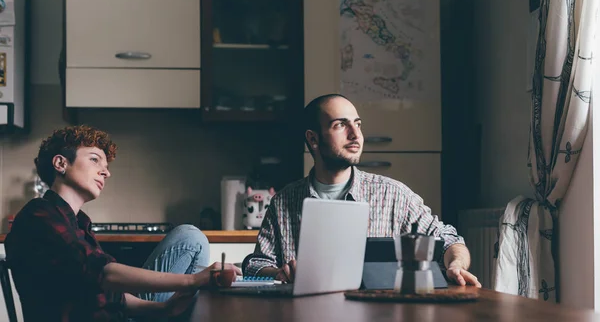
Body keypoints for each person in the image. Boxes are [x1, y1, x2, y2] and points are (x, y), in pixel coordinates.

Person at [5, 125, 241, 321]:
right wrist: (193, 280)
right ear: (60, 164)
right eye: (95, 160)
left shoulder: (78, 223)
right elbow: (102, 273)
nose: (105, 173)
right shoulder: (40, 215)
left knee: (191, 238)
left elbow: (110, 294)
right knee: (191, 238)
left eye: (106, 168)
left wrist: (165, 309)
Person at [243, 94, 481, 287]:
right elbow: (255, 265)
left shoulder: (394, 195)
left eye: (357, 124)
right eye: (340, 125)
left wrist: (455, 264)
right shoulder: (284, 201)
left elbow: (449, 239)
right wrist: (280, 272)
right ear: (313, 139)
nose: (356, 134)